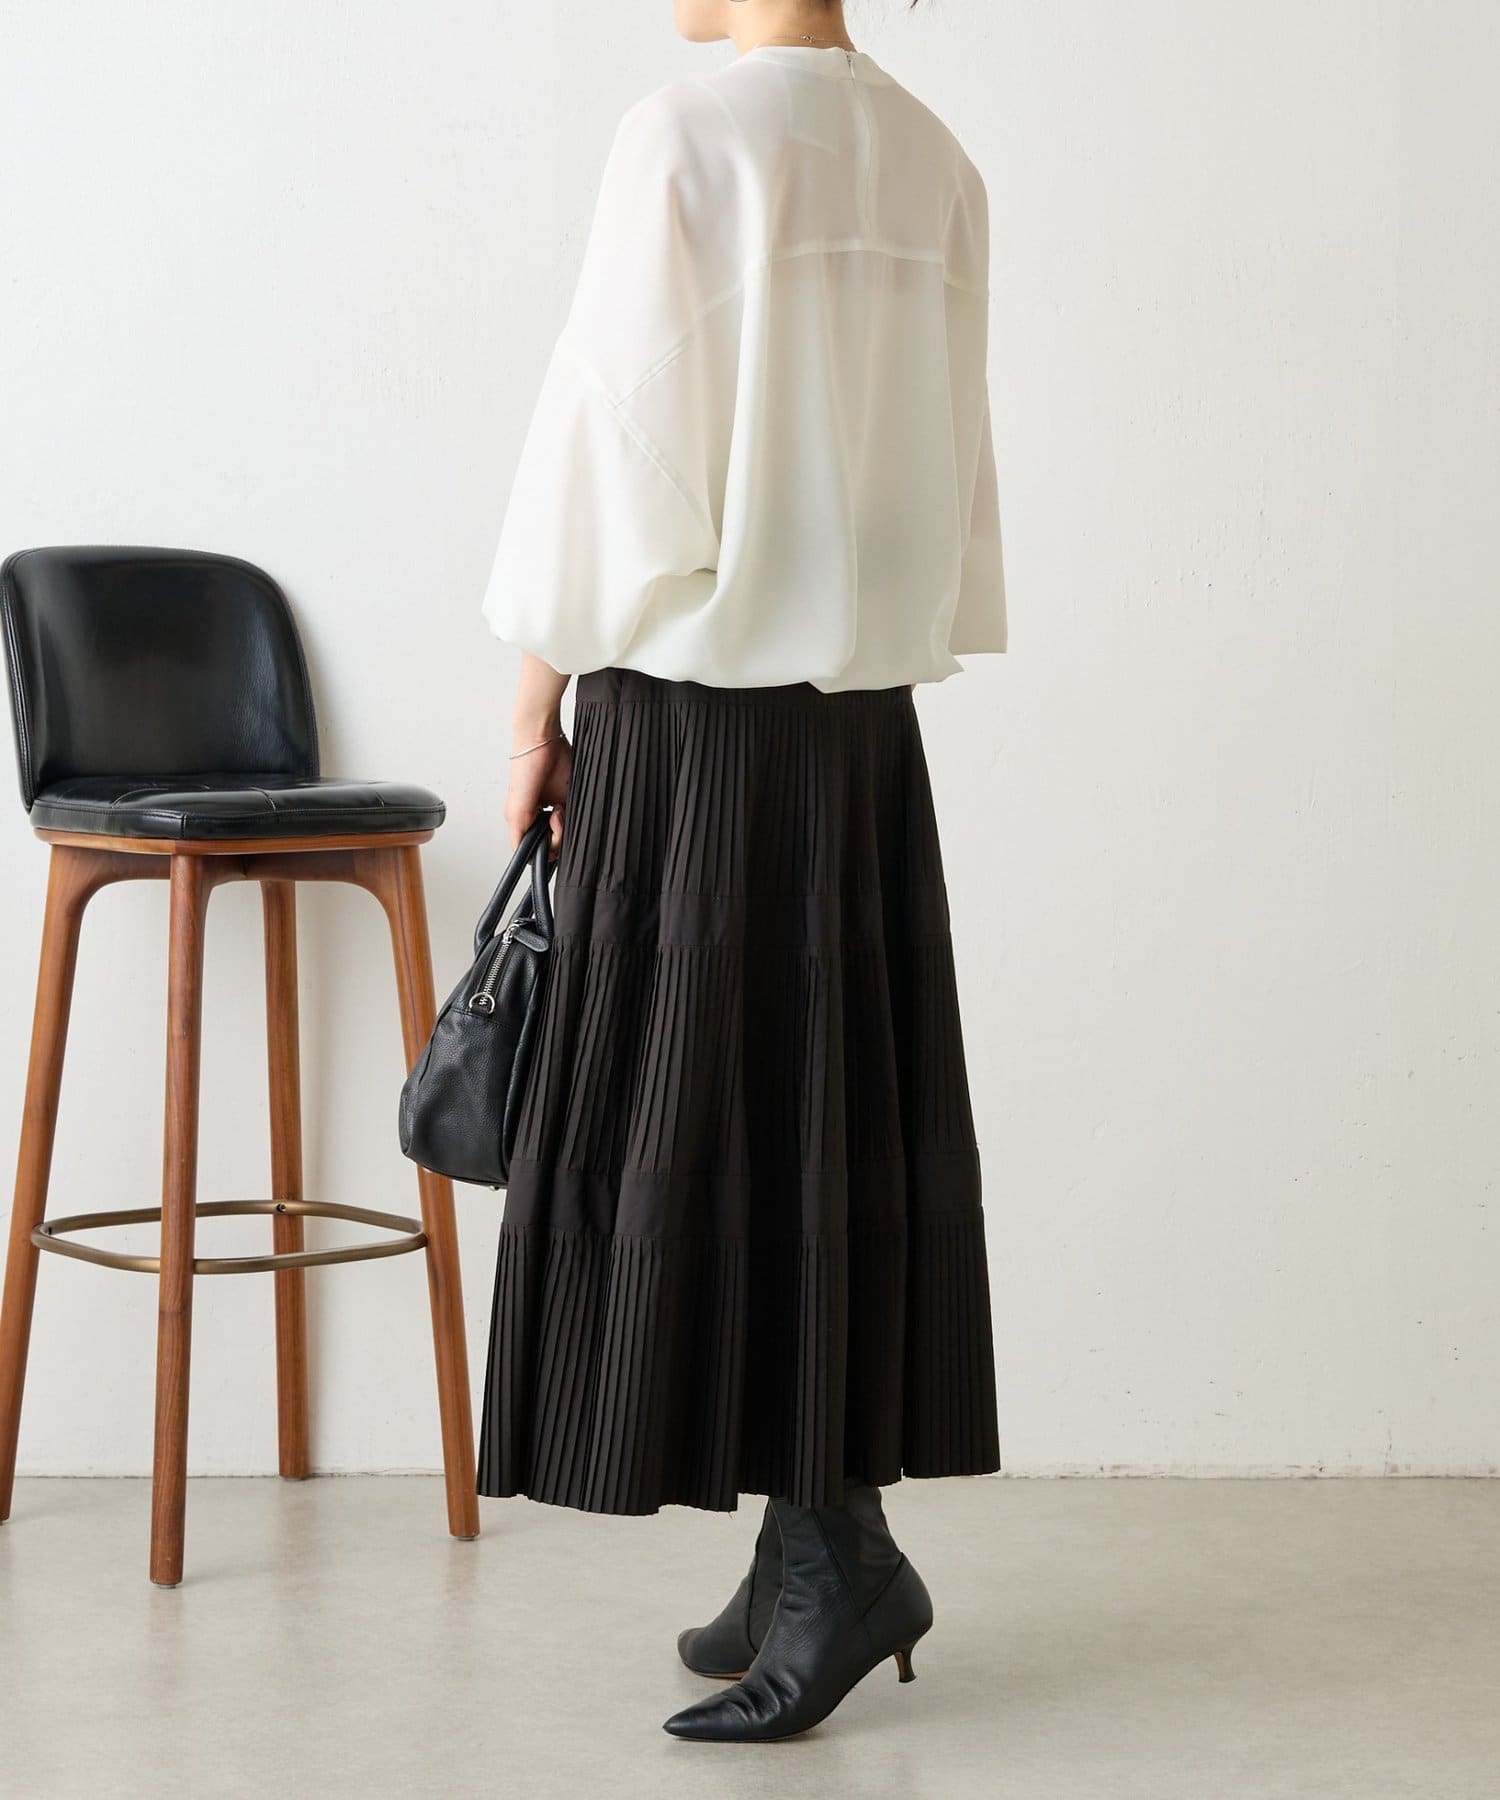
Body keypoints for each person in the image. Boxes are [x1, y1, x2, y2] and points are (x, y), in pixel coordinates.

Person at [477, 0, 1005, 1742]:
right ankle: (815, 1539)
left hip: (698, 724)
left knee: (708, 1124)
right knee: (823, 1118)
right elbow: (948, 466)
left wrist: (537, 704)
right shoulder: (934, 156)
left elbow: (610, 444)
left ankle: (834, 1549)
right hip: (857, 731)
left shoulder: (688, 138)